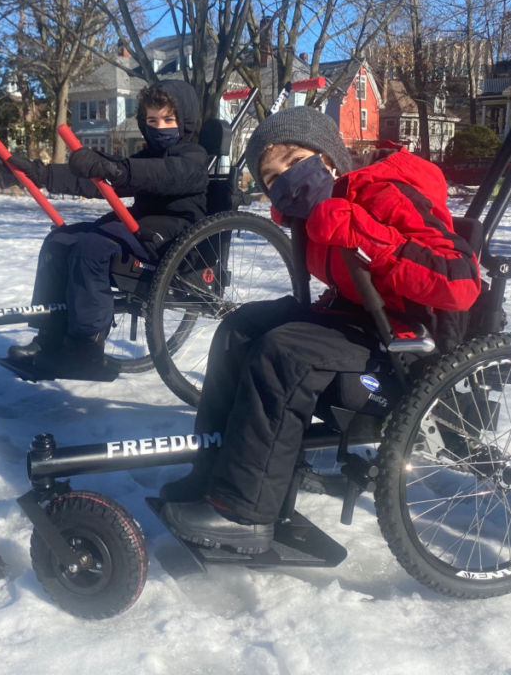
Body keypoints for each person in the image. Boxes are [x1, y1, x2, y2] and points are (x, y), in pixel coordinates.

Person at [158, 106, 482, 554]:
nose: (287, 179)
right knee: (240, 328)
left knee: (284, 353)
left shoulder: (383, 194)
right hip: (356, 320)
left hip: (407, 343)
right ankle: (212, 474)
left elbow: (460, 282)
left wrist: (362, 235)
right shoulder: (310, 214)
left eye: (294, 161)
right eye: (273, 178)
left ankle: (245, 513)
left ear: (329, 156)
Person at [0, 80, 208, 380]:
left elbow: (165, 175)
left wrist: (118, 170)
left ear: (184, 122)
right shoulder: (145, 156)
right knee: (61, 240)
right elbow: (98, 181)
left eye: (168, 120)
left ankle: (86, 346)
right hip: (139, 227)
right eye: (151, 120)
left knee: (93, 248)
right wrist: (39, 173)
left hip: (175, 237)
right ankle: (51, 335)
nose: (159, 127)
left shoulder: (194, 157)